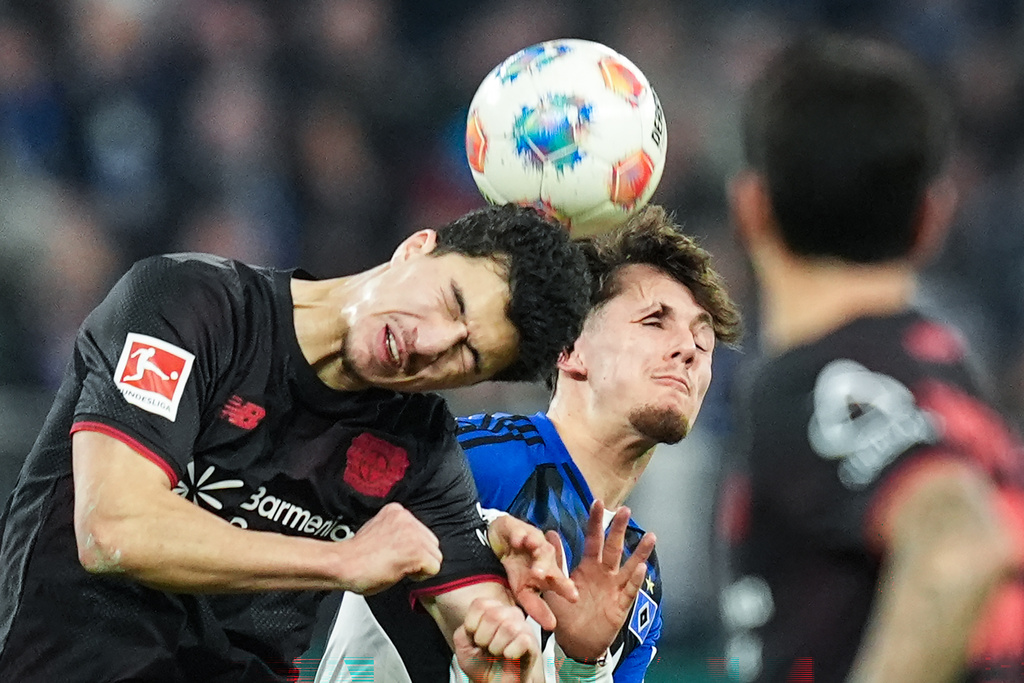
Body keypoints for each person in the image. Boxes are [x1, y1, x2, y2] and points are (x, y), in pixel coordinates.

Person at [0, 203, 593, 682]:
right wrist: (339, 560)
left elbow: (479, 615)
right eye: (451, 301)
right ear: (416, 248)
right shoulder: (191, 306)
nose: (431, 342)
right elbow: (113, 529)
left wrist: (507, 656)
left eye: (468, 355)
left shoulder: (422, 450)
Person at [317, 204, 743, 682]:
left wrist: (582, 664)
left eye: (702, 342)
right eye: (653, 321)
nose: (688, 349)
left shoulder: (636, 575)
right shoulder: (474, 460)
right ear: (571, 350)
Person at [719, 34, 1024, 683]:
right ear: (931, 217)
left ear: (751, 206)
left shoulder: (823, 382)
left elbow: (959, 543)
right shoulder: (944, 369)